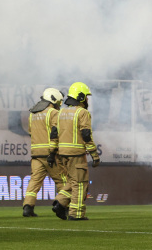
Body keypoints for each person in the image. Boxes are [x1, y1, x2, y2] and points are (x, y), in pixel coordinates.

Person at [52, 82, 99, 221]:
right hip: (76, 153)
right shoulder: (82, 112)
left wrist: (52, 152)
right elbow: (86, 135)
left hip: (62, 153)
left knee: (73, 181)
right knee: (80, 183)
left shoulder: (60, 112)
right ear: (81, 97)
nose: (87, 100)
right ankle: (76, 214)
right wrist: (94, 155)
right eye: (86, 97)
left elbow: (54, 134)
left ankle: (60, 202)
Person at [22, 88, 67, 217]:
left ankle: (27, 207)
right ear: (53, 100)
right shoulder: (53, 113)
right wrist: (53, 152)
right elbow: (56, 132)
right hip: (50, 153)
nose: (59, 104)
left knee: (34, 181)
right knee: (62, 181)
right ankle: (62, 205)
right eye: (58, 101)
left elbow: (31, 132)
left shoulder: (33, 114)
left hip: (36, 154)